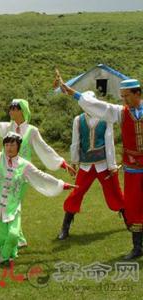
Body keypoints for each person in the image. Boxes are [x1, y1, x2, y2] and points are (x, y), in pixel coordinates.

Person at [0, 100, 75, 248]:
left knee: (14, 203)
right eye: (10, 108)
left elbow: (44, 148)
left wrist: (62, 164)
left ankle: (14, 234)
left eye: (14, 109)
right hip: (2, 170)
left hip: (22, 173)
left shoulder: (31, 130)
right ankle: (7, 235)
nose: (10, 111)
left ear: (22, 110)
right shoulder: (7, 127)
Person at [57, 72, 143, 260]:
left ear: (137, 94)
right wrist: (73, 93)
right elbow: (99, 107)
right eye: (122, 96)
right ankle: (137, 247)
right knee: (134, 203)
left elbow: (109, 141)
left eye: (126, 95)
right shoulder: (120, 113)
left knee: (119, 196)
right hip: (132, 168)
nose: (124, 99)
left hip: (110, 165)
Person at [58, 104, 125, 240]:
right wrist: (74, 161)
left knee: (115, 192)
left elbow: (109, 142)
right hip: (86, 165)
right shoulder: (79, 119)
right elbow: (75, 142)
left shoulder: (106, 119)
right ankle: (65, 227)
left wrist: (112, 165)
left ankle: (129, 221)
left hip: (104, 164)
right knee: (76, 192)